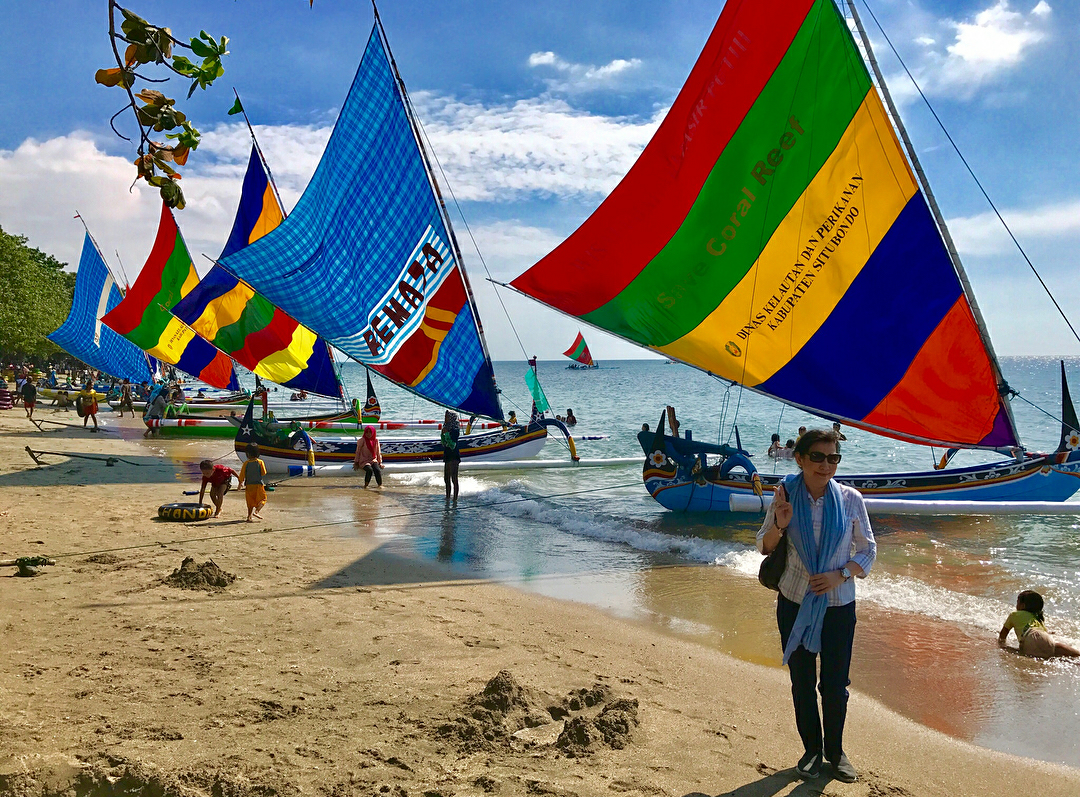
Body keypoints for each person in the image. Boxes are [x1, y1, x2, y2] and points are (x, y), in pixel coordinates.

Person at [756, 429, 876, 783]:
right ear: (800, 459)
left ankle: (836, 752)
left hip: (839, 604)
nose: (826, 465)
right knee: (802, 682)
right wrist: (781, 522)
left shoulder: (851, 498)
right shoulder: (786, 493)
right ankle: (812, 749)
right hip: (794, 600)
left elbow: (868, 549)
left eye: (833, 458)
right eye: (819, 457)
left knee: (835, 684)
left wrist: (840, 575)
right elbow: (764, 546)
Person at [999, 590, 1080, 659]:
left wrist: (1001, 644)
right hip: (1045, 639)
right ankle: (1077, 654)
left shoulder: (1014, 615)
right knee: (1057, 648)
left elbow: (1003, 633)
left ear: (1022, 605)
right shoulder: (1038, 618)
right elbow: (1041, 633)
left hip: (1028, 638)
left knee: (1017, 651)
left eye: (1017, 602)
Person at [238, 443, 267, 522]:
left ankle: (249, 517)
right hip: (258, 485)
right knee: (263, 499)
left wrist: (239, 484)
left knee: (250, 502)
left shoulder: (246, 463)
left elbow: (242, 475)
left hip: (249, 485)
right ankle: (256, 511)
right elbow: (263, 473)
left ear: (247, 454)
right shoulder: (260, 462)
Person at [441, 409, 461, 500]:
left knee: (454, 479)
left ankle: (455, 499)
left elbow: (452, 445)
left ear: (451, 418)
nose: (445, 418)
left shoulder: (455, 429)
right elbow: (443, 443)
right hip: (447, 454)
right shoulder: (446, 427)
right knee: (446, 478)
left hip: (454, 455)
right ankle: (448, 497)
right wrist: (442, 435)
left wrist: (447, 434)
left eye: (447, 416)